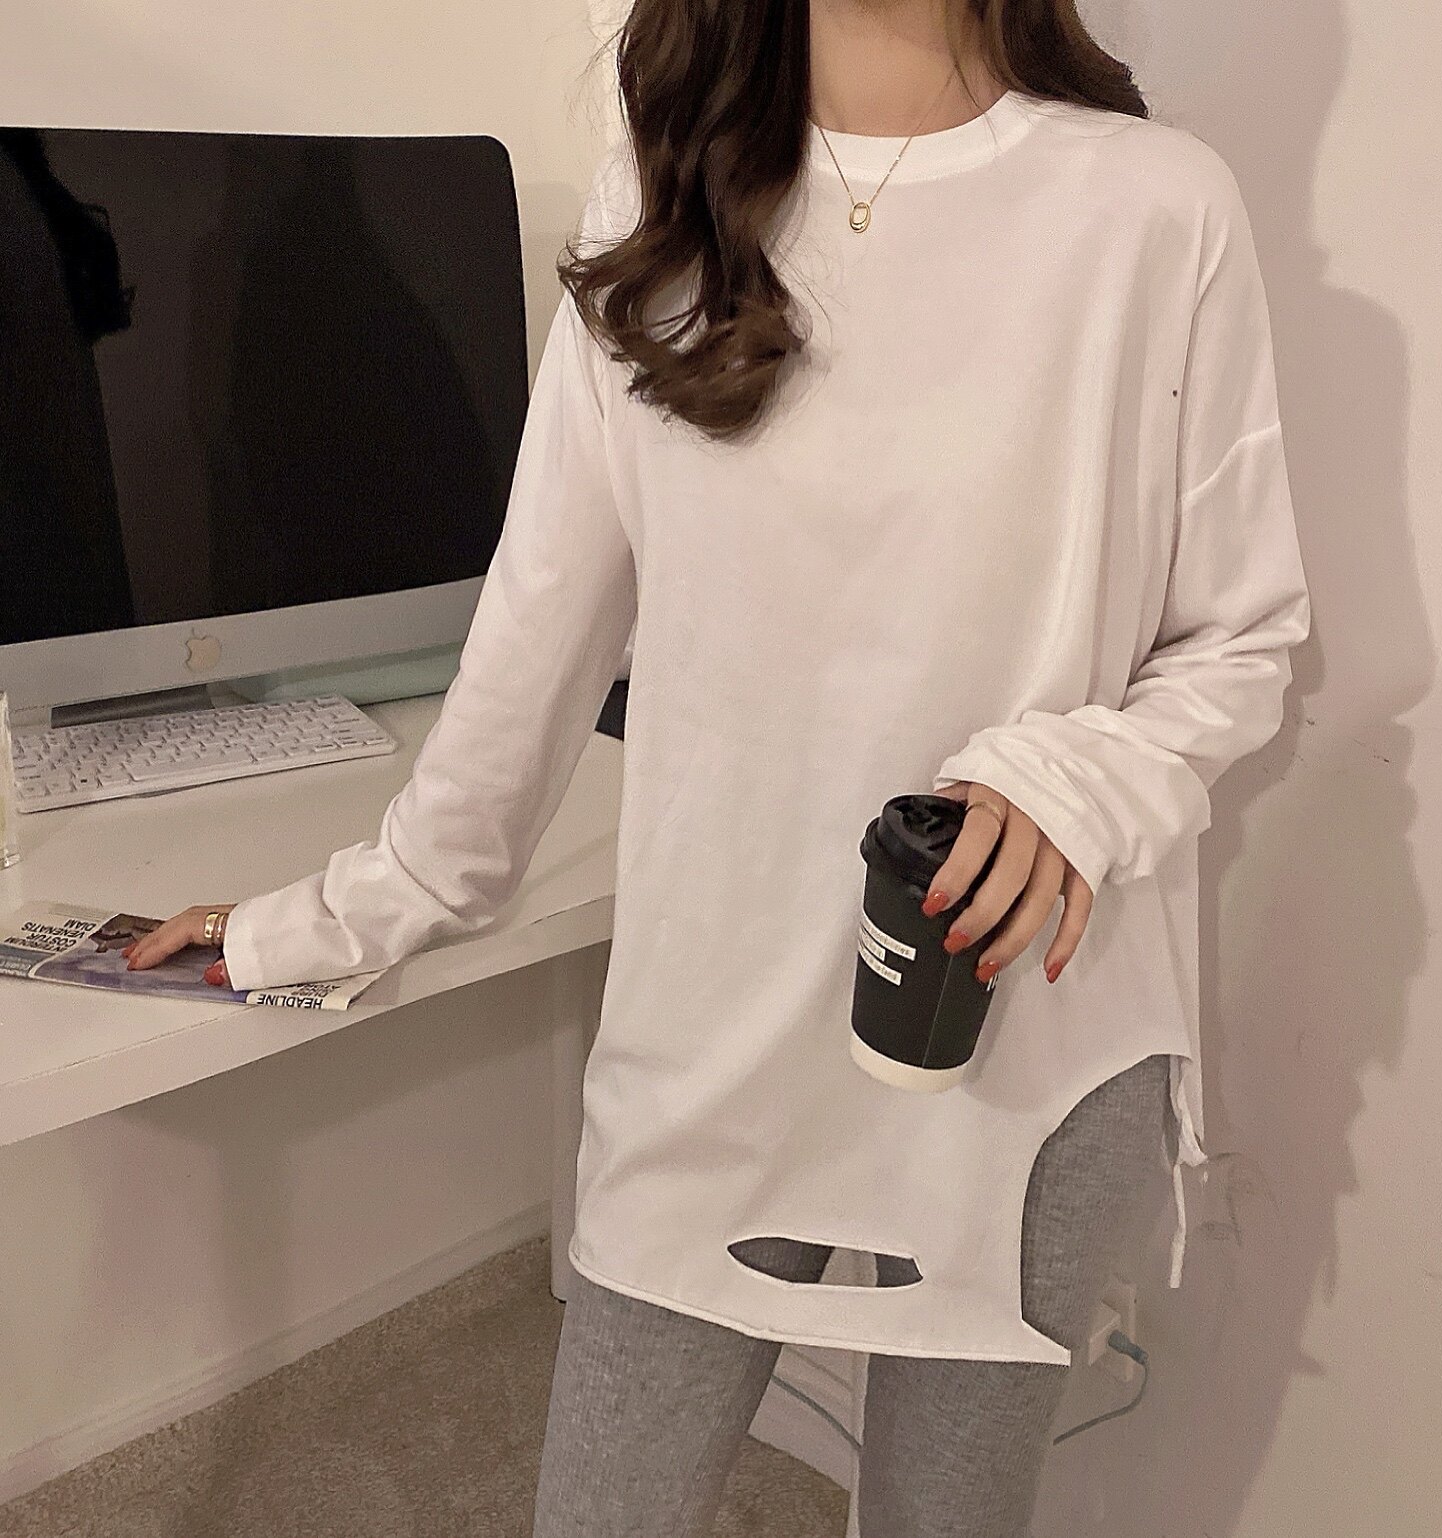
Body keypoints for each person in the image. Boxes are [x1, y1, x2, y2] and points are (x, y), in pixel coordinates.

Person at [124, 1, 1312, 1531]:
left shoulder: (1152, 207)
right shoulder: (660, 202)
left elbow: (1241, 635)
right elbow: (536, 637)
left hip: (1022, 1029)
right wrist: (319, 921)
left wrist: (1072, 782)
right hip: (711, 1025)